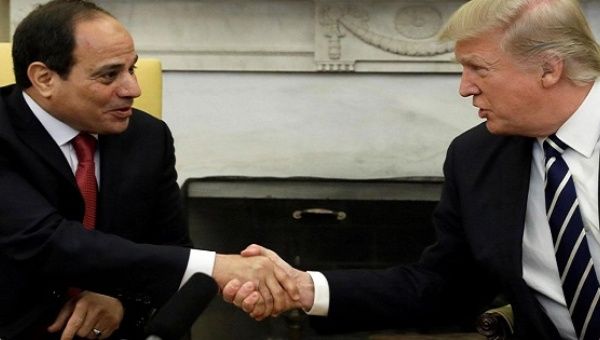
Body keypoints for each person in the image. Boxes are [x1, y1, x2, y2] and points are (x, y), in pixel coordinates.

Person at [223, 0, 600, 339]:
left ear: (549, 69)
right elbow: (444, 288)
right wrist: (304, 287)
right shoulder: (476, 158)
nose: (464, 88)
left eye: (478, 69)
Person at [0, 1, 297, 339]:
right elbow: (50, 243)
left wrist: (120, 300)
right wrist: (219, 267)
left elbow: (171, 249)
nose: (133, 90)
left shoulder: (147, 137)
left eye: (132, 69)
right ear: (44, 78)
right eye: (109, 75)